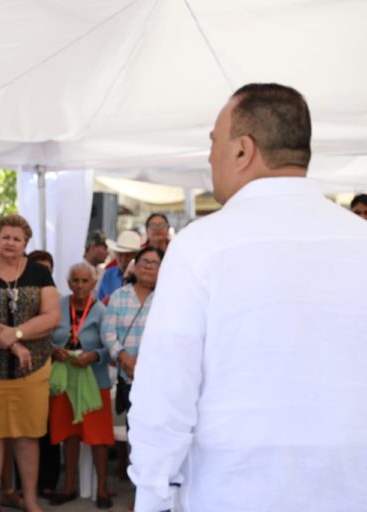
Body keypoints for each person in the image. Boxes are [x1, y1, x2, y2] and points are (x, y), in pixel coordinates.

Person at [128, 83, 367, 512]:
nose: (209, 157)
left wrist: (152, 495)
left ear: (243, 150)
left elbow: (164, 394)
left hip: (234, 492)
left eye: (213, 142)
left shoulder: (201, 246)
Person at [0, 214, 60, 512]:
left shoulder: (39, 273)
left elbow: (51, 317)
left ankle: (30, 500)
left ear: (26, 244)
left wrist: (14, 333)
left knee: (28, 435)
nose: (10, 243)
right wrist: (12, 342)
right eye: (5, 236)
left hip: (33, 367)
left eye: (17, 239)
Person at [49, 262, 115, 509]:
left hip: (94, 379)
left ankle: (102, 489)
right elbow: (45, 338)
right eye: (75, 280)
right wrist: (54, 351)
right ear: (68, 283)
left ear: (94, 283)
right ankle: (69, 487)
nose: (79, 285)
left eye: (85, 281)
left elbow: (110, 347)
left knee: (98, 437)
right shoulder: (58, 306)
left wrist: (95, 355)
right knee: (69, 435)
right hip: (64, 381)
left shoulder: (101, 311)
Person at [102, 247, 163, 413]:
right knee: (134, 428)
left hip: (158, 377)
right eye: (145, 261)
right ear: (135, 267)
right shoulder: (118, 296)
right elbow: (107, 333)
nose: (149, 266)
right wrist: (125, 359)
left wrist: (142, 361)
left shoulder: (168, 298)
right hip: (127, 375)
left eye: (155, 263)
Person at [97, 230, 141, 304]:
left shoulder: (143, 277)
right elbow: (99, 302)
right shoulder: (108, 275)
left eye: (128, 255)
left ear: (136, 256)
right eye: (120, 255)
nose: (123, 260)